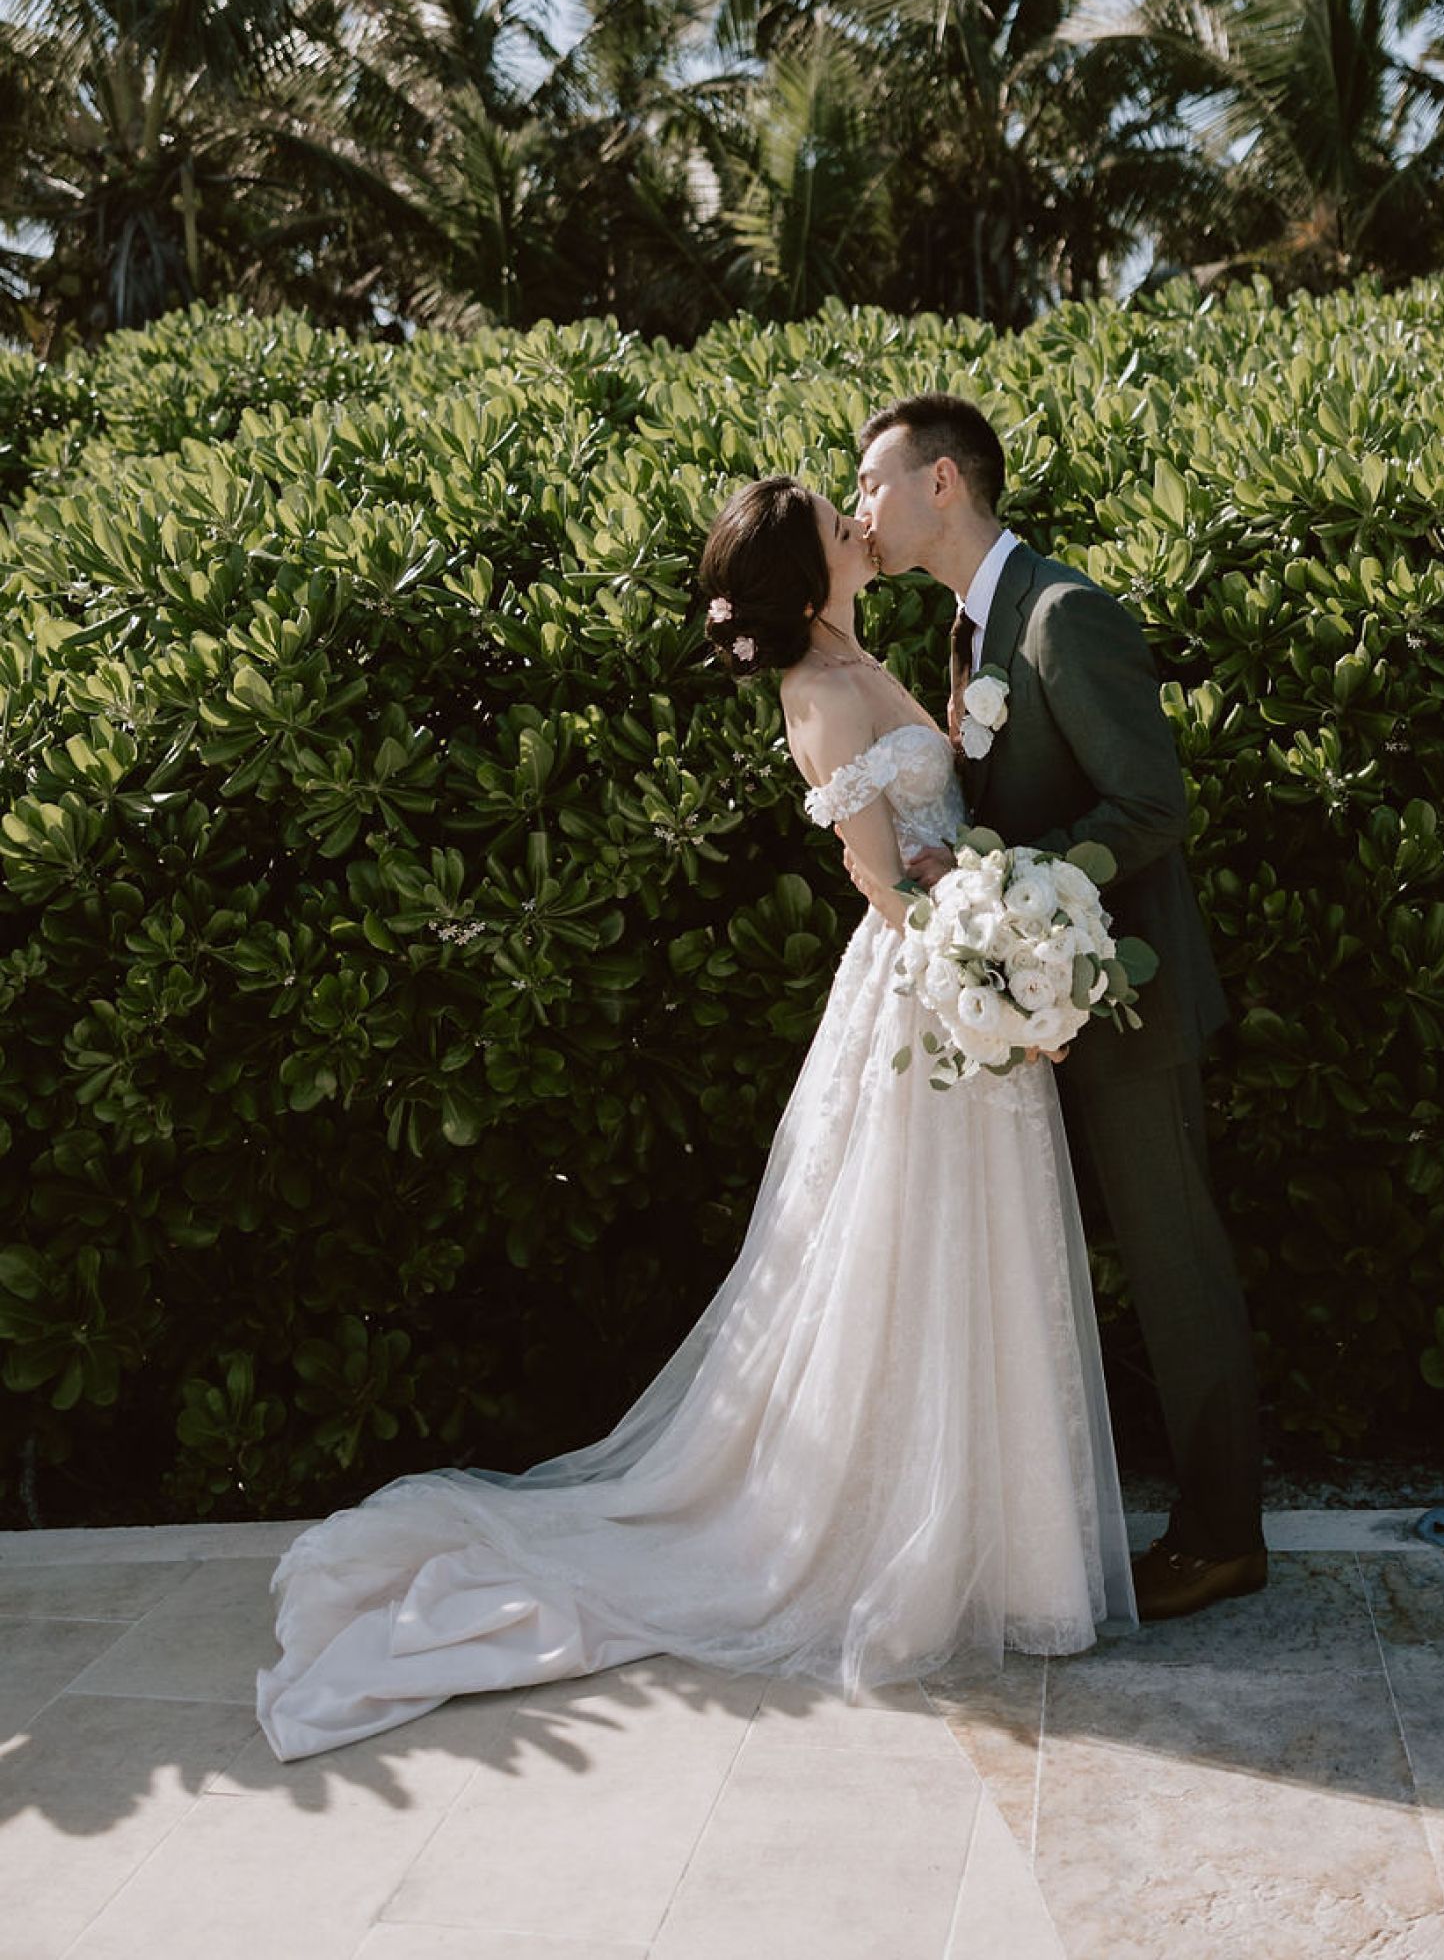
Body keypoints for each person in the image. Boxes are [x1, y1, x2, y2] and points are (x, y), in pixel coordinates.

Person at [254, 474, 1133, 1762]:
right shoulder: (821, 695)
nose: (860, 531)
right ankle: (926, 1546)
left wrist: (996, 915)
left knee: (973, 1258)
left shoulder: (859, 652)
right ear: (803, 573)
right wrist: (984, 962)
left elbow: (937, 832)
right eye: (840, 527)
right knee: (912, 1257)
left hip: (963, 974)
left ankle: (1012, 1555)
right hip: (926, 993)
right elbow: (880, 877)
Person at [853, 395, 1266, 1621]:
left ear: (942, 483)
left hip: (1122, 1000)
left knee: (1175, 1260)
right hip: (1043, 998)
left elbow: (1151, 809)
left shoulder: (1060, 614)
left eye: (871, 482)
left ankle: (1224, 1533)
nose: (861, 506)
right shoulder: (973, 631)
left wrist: (1011, 890)